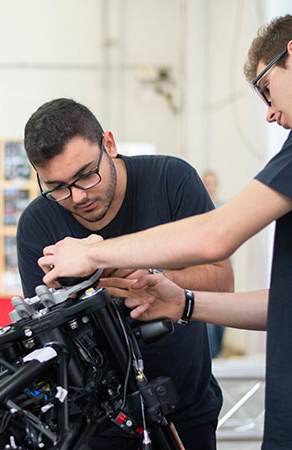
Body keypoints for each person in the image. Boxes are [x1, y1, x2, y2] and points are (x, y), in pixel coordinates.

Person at [37, 10, 292, 450]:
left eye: (267, 89)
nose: (269, 113)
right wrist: (184, 303)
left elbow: (218, 235)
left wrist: (94, 254)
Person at [16, 98, 234, 450]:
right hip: (96, 425)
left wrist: (155, 278)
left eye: (87, 175)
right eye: (57, 187)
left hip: (186, 411)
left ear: (110, 144)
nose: (77, 196)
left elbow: (222, 281)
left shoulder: (171, 181)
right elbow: (46, 338)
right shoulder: (38, 223)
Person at [201, 169, 225, 359]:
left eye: (212, 183)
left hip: (222, 263)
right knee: (208, 319)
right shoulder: (197, 209)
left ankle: (217, 352)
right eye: (206, 183)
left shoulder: (223, 209)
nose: (209, 186)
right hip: (203, 264)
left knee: (221, 318)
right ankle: (212, 354)